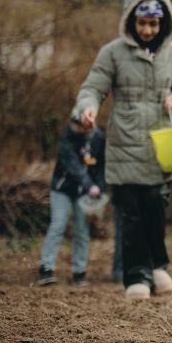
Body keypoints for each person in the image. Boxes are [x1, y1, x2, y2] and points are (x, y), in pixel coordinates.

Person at [75, 0, 172, 299]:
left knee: (156, 209)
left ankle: (157, 266)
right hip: (125, 145)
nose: (147, 30)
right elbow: (93, 87)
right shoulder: (112, 53)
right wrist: (88, 107)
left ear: (163, 23)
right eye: (142, 22)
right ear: (130, 20)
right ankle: (137, 276)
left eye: (153, 24)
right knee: (131, 215)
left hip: (162, 148)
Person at [37, 115, 105, 286]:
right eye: (75, 124)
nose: (76, 128)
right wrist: (90, 185)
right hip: (62, 189)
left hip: (85, 192)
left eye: (80, 125)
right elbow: (74, 166)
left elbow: (100, 165)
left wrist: (99, 187)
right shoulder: (67, 138)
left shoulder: (98, 138)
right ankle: (46, 268)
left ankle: (79, 272)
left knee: (82, 230)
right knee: (58, 224)